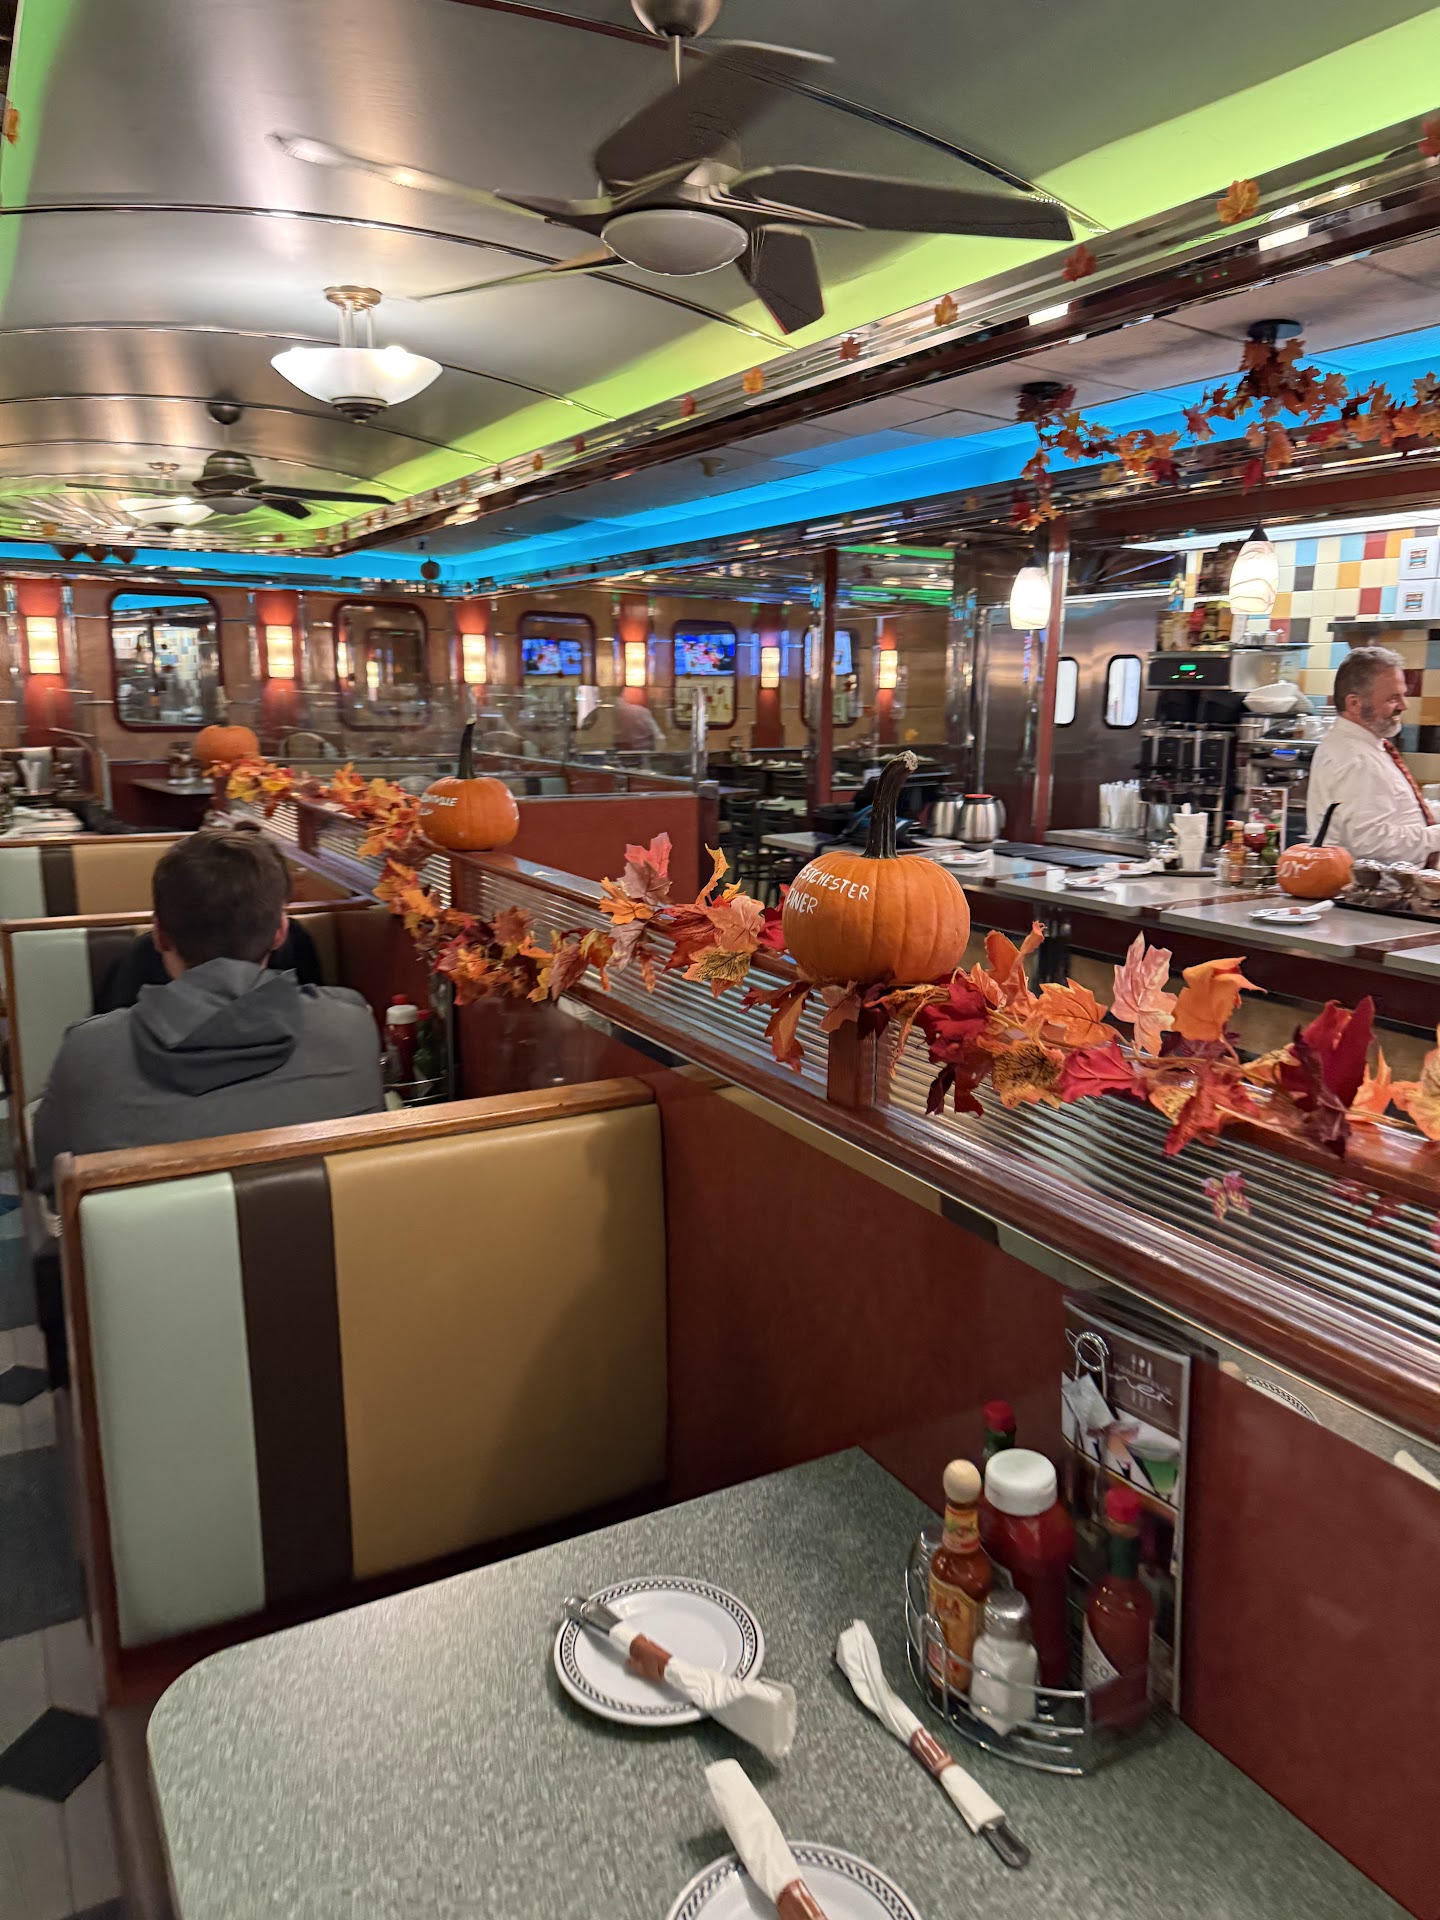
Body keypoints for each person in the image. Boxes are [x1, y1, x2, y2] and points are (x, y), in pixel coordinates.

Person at [33, 829, 383, 1186]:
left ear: (159, 935)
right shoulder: (351, 1025)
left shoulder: (88, 1051)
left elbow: (50, 1181)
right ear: (280, 932)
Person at [1306, 646, 1440, 865]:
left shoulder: (1367, 746)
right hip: (1373, 885)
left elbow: (1400, 807)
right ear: (1354, 704)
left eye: (1403, 695)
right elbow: (1372, 843)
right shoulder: (1353, 758)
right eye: (1392, 698)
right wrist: (1436, 836)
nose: (1404, 705)